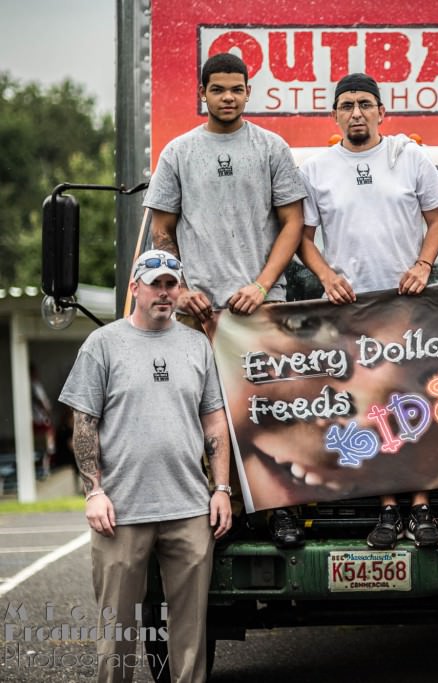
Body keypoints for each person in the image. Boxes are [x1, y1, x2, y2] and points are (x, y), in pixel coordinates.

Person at [143, 52, 308, 549]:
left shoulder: (270, 147)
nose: (229, 97)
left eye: (237, 89)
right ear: (203, 93)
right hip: (198, 314)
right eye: (219, 90)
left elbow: (293, 224)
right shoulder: (178, 152)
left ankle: (281, 512)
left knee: (273, 411)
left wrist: (260, 285)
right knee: (207, 416)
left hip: (262, 308)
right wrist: (182, 288)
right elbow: (162, 230)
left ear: (248, 92)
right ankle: (225, 514)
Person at [59, 250, 232, 683]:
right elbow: (84, 422)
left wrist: (222, 489)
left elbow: (214, 420)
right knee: (116, 633)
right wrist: (93, 492)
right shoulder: (103, 344)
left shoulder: (196, 345)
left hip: (189, 509)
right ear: (135, 287)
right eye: (155, 283)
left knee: (190, 633)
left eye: (172, 283)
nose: (164, 292)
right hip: (121, 512)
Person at [298, 72, 438, 549]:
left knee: (419, 406)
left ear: (382, 111)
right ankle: (387, 510)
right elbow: (302, 238)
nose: (357, 112)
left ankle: (421, 509)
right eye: (347, 104)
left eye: (366, 103)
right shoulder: (317, 169)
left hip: (410, 305)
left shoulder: (409, 157)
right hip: (353, 311)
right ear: (335, 115)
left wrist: (424, 265)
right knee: (372, 409)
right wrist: (326, 276)